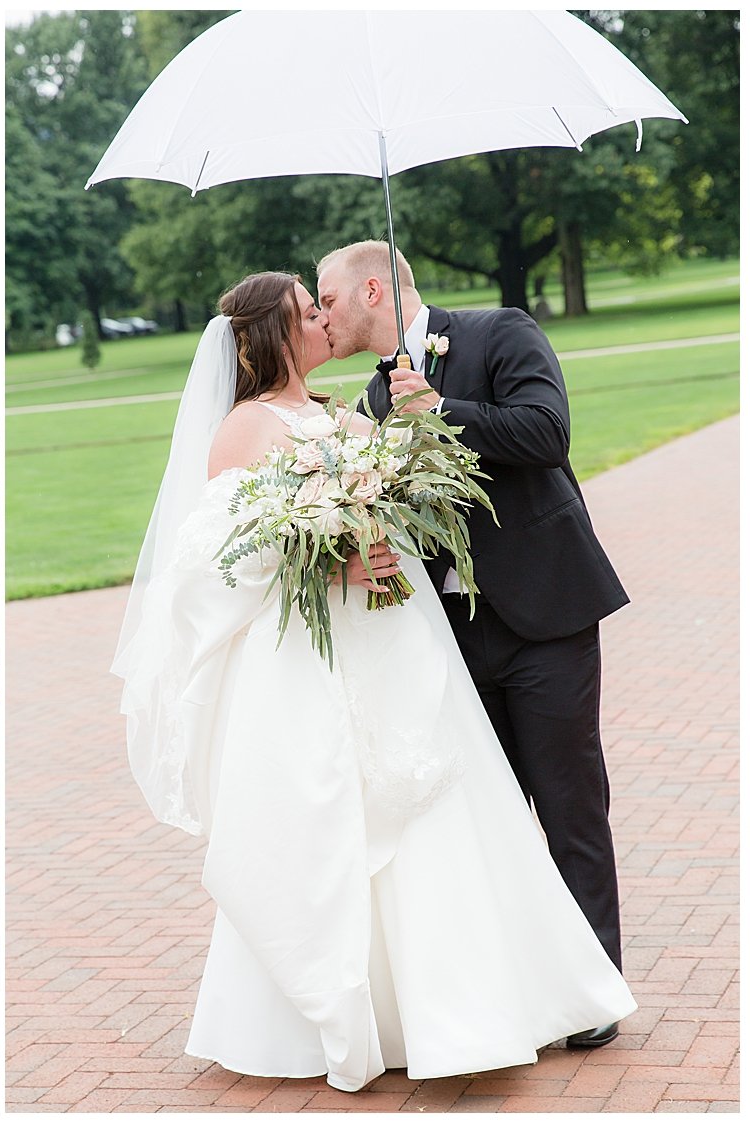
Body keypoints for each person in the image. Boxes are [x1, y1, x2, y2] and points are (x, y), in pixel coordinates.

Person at [112, 271, 634, 1092]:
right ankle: (374, 1011)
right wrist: (328, 561)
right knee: (340, 824)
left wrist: (411, 460)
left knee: (454, 810)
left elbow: (450, 477)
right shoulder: (243, 430)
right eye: (306, 312)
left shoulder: (352, 412)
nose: (322, 320)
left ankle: (486, 1000)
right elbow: (213, 562)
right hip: (320, 663)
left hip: (400, 640)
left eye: (323, 303)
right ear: (271, 337)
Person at [317, 240, 630, 1048]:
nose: (322, 313)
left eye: (329, 296)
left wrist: (440, 412)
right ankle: (517, 988)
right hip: (448, 636)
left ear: (373, 290)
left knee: (568, 803)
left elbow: (547, 433)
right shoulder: (370, 399)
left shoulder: (500, 332)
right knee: (479, 815)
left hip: (545, 617)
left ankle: (594, 990)